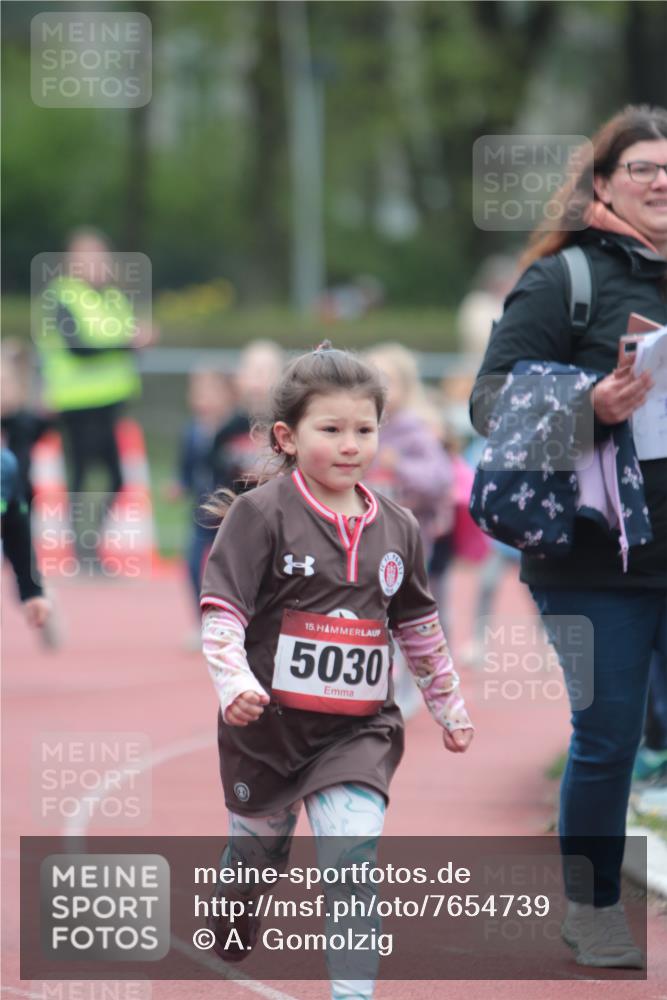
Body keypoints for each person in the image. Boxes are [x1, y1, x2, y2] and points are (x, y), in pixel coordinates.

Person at [200, 342, 473, 999]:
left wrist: (448, 703)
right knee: (254, 860)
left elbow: (417, 626)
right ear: (286, 437)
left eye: (364, 429)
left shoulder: (399, 527)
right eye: (331, 430)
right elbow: (221, 615)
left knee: (351, 862)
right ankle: (239, 890)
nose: (350, 445)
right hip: (266, 731)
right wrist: (235, 681)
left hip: (356, 733)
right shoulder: (258, 514)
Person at [470, 104, 667, 969]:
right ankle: (590, 909)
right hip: (590, 564)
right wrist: (587, 404)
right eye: (642, 169)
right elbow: (487, 402)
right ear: (601, 185)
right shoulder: (568, 282)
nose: (661, 181)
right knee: (608, 734)